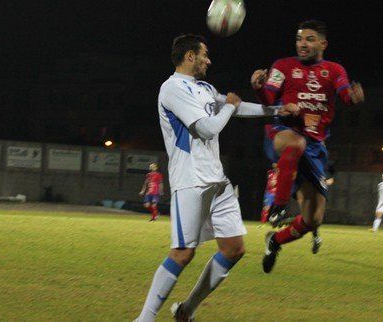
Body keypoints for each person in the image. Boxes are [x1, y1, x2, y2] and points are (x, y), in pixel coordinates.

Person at [135, 34, 295, 322]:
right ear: (190, 56)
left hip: (216, 179)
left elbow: (236, 105)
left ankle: (187, 310)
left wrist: (275, 110)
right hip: (191, 181)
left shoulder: (205, 87)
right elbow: (208, 128)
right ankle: (144, 318)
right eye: (205, 54)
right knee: (183, 254)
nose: (209, 60)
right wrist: (230, 107)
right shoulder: (171, 89)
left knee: (234, 248)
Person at [250, 20, 364, 273]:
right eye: (300, 38)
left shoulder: (334, 70)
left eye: (310, 39)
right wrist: (259, 88)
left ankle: (275, 241)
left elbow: (345, 95)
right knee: (296, 142)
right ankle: (277, 208)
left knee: (314, 219)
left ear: (323, 44)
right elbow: (269, 97)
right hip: (283, 133)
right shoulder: (283, 66)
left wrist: (354, 97)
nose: (303, 43)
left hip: (315, 148)